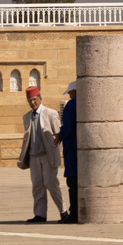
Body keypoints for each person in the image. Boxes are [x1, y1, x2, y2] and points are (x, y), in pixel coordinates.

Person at [17, 85, 65, 223]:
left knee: (50, 183)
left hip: (48, 156)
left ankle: (63, 211)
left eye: (34, 99)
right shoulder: (26, 117)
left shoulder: (51, 113)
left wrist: (56, 153)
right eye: (30, 101)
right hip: (34, 156)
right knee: (37, 186)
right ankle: (40, 214)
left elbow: (58, 135)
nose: (33, 103)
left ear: (40, 99)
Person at [58, 80, 79, 224]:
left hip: (72, 148)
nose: (70, 95)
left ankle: (74, 213)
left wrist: (59, 136)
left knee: (73, 181)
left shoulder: (71, 104)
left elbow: (68, 126)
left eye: (70, 93)